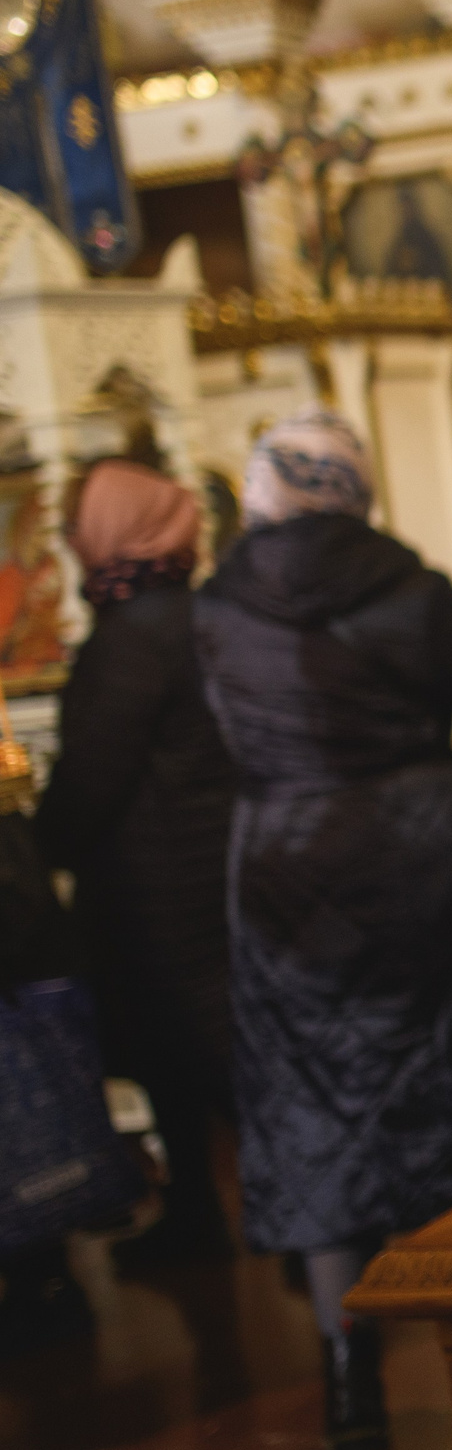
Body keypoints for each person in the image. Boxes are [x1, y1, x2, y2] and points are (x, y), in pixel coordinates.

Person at [193, 411, 452, 1450]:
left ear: (263, 493)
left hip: (285, 868)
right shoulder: (409, 586)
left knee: (311, 1110)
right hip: (423, 857)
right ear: (356, 485)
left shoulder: (212, 607)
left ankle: (348, 1375)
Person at [35, 459, 238, 1261]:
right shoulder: (207, 612)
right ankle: (278, 1222)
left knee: (187, 1062)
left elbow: (95, 770)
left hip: (156, 888)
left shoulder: (130, 635)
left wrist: (45, 840)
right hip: (222, 865)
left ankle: (207, 1219)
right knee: (221, 1056)